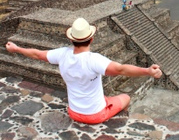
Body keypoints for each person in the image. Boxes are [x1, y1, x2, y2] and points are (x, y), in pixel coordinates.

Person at [5, 17, 162, 124]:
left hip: (73, 111)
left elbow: (37, 54)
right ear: (91, 39)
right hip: (95, 115)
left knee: (105, 96)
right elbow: (121, 69)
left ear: (71, 38)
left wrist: (17, 48)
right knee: (125, 97)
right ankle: (121, 120)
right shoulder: (93, 59)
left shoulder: (62, 54)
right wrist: (147, 71)